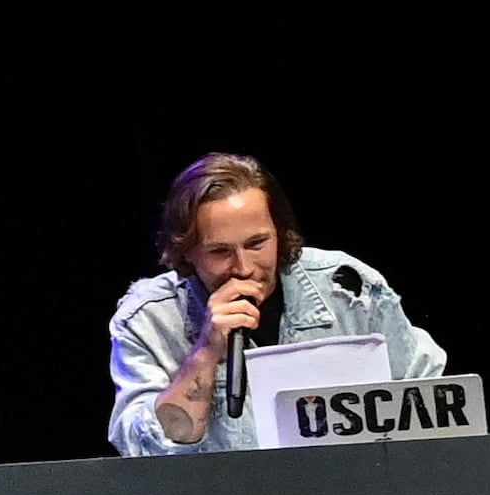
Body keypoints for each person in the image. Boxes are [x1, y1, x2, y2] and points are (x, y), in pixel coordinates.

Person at [108, 152, 444, 458]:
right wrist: (206, 352)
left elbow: (432, 405)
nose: (243, 268)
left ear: (279, 234)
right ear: (187, 252)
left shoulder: (348, 290)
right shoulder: (148, 318)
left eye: (257, 243)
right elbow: (143, 454)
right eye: (220, 252)